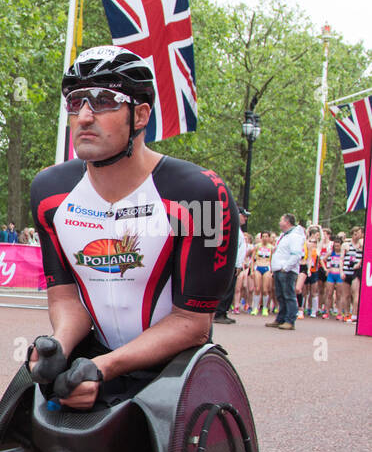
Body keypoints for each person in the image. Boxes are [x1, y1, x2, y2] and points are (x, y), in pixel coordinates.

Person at [27, 45, 239, 410]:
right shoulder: (48, 193)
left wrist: (104, 368)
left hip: (173, 367)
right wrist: (59, 346)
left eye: (105, 100)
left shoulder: (202, 194)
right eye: (75, 102)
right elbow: (65, 298)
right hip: (94, 355)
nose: (85, 116)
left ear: (140, 115)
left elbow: (193, 323)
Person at [267, 214, 304, 329]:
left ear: (287, 222)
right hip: (280, 270)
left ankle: (290, 320)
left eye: (281, 220)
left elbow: (297, 255)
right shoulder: (285, 236)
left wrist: (286, 267)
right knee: (280, 296)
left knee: (288, 295)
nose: (279, 223)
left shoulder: (295, 236)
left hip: (287, 271)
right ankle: (281, 318)